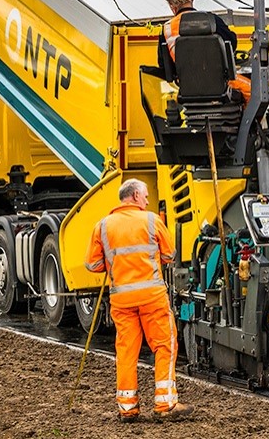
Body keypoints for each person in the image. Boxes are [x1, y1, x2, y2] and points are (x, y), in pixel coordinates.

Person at [84, 178, 194, 422]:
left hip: (121, 301)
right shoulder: (152, 220)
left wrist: (114, 267)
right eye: (144, 196)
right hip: (152, 298)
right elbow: (168, 255)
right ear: (134, 196)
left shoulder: (103, 226)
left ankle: (127, 407)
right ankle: (165, 404)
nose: (147, 200)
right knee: (165, 346)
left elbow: (92, 264)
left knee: (126, 351)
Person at [157, 0, 239, 84]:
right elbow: (231, 42)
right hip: (217, 81)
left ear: (173, 8)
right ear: (191, 3)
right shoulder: (212, 19)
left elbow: (163, 64)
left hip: (185, 84)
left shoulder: (166, 28)